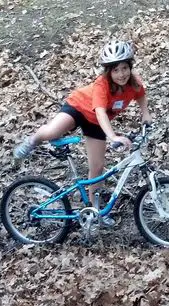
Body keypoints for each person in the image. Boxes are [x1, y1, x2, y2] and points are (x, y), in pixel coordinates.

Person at [13, 40, 153, 220]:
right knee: (52, 132)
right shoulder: (102, 85)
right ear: (108, 71)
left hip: (94, 123)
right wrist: (112, 136)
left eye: (125, 68)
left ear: (130, 67)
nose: (121, 74)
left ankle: (94, 212)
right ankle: (32, 140)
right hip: (78, 108)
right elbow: (101, 112)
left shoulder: (134, 83)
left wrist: (145, 113)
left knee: (97, 168)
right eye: (115, 70)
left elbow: (140, 95)